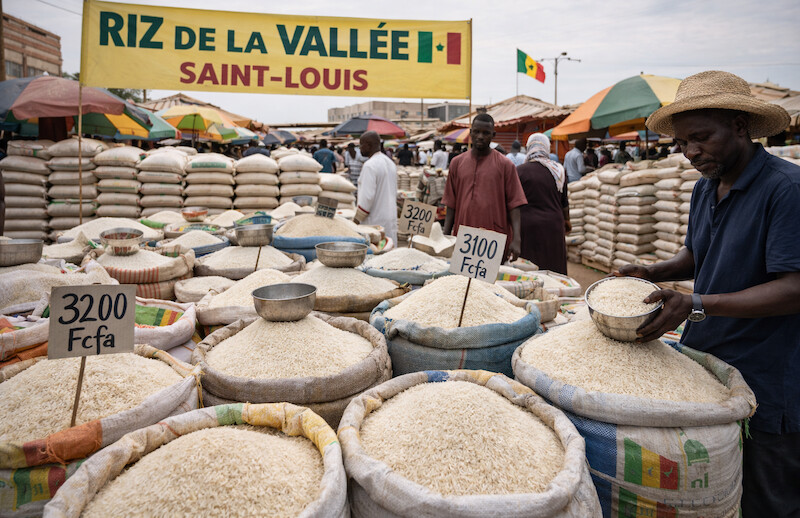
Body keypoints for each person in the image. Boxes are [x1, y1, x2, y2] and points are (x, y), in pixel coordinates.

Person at [617, 70, 799, 516]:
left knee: (767, 497)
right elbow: (697, 255)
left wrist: (697, 303)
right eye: (682, 143)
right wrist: (650, 271)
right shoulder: (704, 187)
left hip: (768, 376)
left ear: (739, 126)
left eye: (701, 138)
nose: (690, 152)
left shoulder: (785, 190)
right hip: (713, 364)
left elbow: (793, 289)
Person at [442, 113, 527, 261]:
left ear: (493, 135)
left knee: (489, 283)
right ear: (470, 133)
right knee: (461, 281)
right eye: (476, 132)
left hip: (493, 239)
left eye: (486, 133)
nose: (480, 136)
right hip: (463, 237)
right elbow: (451, 203)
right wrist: (446, 235)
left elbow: (515, 204)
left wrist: (517, 238)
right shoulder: (457, 163)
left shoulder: (505, 165)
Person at [516, 133, 570, 274]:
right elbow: (564, 202)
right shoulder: (559, 171)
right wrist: (567, 221)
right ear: (547, 148)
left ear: (529, 147)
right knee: (553, 266)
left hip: (527, 226)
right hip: (553, 226)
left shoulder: (519, 171)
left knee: (529, 268)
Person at [353, 131, 398, 243]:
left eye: (361, 145)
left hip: (374, 222)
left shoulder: (369, 166)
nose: (360, 149)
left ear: (368, 145)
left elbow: (367, 199)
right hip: (390, 218)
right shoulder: (390, 163)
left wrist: (355, 222)